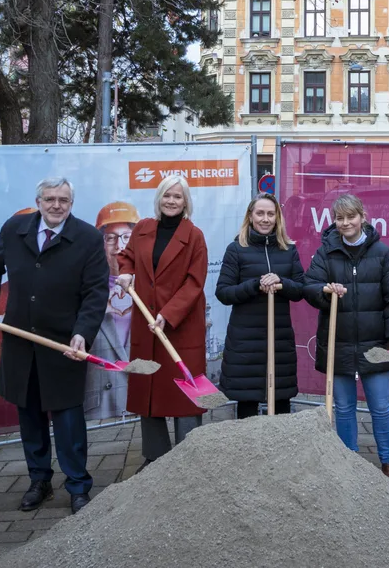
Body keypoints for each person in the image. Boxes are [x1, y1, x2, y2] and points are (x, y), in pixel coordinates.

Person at [0, 178, 108, 514]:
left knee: (68, 423)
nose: (56, 205)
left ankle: (78, 486)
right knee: (30, 418)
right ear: (38, 201)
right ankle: (40, 481)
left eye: (63, 199)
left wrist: (82, 333)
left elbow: (95, 293)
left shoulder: (88, 239)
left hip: (63, 346)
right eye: (50, 199)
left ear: (71, 203)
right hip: (21, 344)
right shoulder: (15, 229)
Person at [303, 193, 389, 481]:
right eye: (340, 218)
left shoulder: (383, 253)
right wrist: (325, 291)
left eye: (351, 216)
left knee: (381, 407)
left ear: (362, 217)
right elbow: (309, 286)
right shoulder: (326, 252)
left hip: (375, 344)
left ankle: (388, 465)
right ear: (334, 221)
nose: (346, 222)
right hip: (338, 341)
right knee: (345, 407)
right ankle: (350, 462)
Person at [116, 174, 209, 466]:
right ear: (159, 198)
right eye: (167, 196)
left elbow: (195, 283)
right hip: (146, 325)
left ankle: (188, 459)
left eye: (177, 196)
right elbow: (127, 256)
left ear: (186, 202)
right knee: (149, 391)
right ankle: (155, 458)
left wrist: (168, 315)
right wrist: (126, 271)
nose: (171, 201)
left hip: (181, 328)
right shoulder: (143, 228)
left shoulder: (194, 236)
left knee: (185, 393)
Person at [216, 193, 306, 418]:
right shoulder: (236, 249)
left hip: (279, 339)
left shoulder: (289, 249)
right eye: (260, 213)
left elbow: (300, 290)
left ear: (277, 218)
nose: (265, 219)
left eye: (270, 214)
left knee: (281, 402)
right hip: (245, 340)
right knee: (247, 403)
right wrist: (255, 285)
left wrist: (281, 282)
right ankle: (248, 452)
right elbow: (224, 293)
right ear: (250, 216)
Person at [84, 201, 141, 421]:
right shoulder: (87, 288)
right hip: (102, 405)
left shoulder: (150, 288)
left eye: (126, 237)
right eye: (111, 238)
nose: (119, 246)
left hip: (140, 397)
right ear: (101, 244)